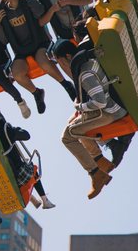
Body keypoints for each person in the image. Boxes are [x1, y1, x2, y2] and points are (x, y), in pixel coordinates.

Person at [52, 38, 124, 199]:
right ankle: (100, 163)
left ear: (69, 57)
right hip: (110, 108)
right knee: (74, 124)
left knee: (68, 136)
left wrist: (80, 107)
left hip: (109, 111)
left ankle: (97, 174)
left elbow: (99, 101)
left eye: (61, 62)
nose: (62, 68)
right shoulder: (89, 61)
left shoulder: (84, 72)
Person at [0, 0, 77, 114]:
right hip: (21, 50)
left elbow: (40, 12)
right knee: (17, 74)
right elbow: (3, 40)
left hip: (39, 43)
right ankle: (36, 93)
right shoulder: (3, 12)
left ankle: (66, 85)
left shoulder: (25, 1)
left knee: (43, 61)